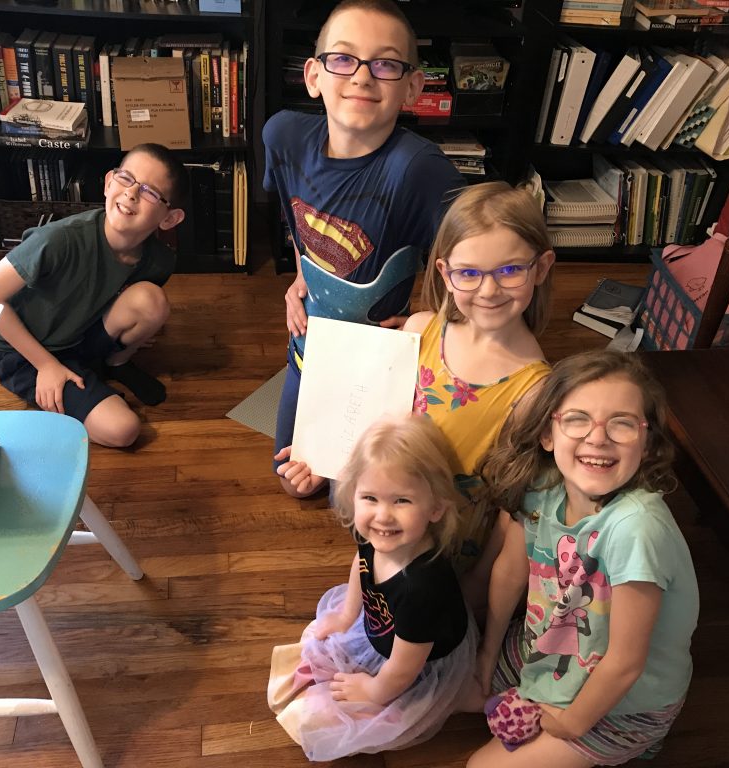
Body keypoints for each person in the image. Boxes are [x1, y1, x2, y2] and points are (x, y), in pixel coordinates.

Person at [264, 0, 465, 498]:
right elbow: (300, 224)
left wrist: (430, 324)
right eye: (343, 58)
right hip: (311, 347)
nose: (362, 77)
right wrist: (300, 278)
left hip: (381, 362)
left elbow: (476, 264)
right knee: (294, 480)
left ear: (413, 87)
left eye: (386, 63)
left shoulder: (420, 170)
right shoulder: (283, 136)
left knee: (353, 497)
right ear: (313, 74)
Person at [465, 350, 699, 768]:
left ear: (647, 445)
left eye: (622, 424)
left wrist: (570, 724)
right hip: (548, 649)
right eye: (577, 419)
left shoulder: (636, 528)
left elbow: (625, 663)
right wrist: (488, 651)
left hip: (626, 702)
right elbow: (511, 571)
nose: (597, 437)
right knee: (456, 692)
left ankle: (641, 742)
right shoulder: (541, 485)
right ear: (547, 433)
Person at [267, 414, 478, 761]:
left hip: (416, 659)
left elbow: (403, 668)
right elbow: (361, 565)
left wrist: (374, 690)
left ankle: (468, 697)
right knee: (321, 650)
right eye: (370, 498)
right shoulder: (375, 535)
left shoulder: (421, 587)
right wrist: (349, 613)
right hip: (387, 630)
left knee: (356, 713)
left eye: (402, 501)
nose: (382, 516)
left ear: (436, 507)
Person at [403, 181, 555, 611]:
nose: (489, 290)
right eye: (469, 273)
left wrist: (474, 590)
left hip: (449, 549)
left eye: (509, 270)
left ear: (540, 269)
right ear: (444, 273)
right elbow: (368, 431)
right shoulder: (419, 330)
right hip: (390, 520)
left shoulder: (535, 392)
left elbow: (512, 512)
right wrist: (315, 459)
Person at [0, 143, 188, 448]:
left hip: (81, 337)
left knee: (151, 301)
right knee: (124, 430)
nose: (131, 194)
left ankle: (115, 364)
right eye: (126, 179)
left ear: (170, 218)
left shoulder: (159, 259)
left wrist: (135, 331)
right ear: (108, 183)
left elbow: (133, 301)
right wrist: (46, 365)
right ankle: (66, 383)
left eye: (150, 191)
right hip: (25, 354)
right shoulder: (60, 240)